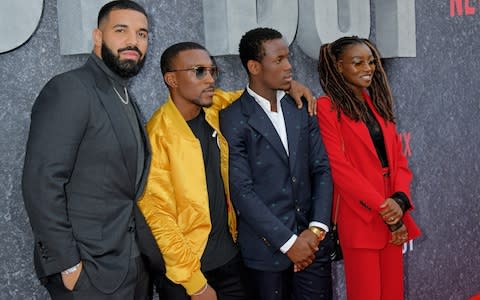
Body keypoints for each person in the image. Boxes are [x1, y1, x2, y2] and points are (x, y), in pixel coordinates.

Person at [138, 41, 317, 300]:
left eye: (213, 71)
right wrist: (196, 284)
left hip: (231, 262)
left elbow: (250, 96)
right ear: (172, 80)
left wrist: (289, 85)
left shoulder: (214, 109)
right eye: (199, 71)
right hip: (188, 274)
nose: (210, 79)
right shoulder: (157, 136)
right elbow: (160, 220)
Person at [22, 1, 164, 299]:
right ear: (98, 37)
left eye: (142, 34)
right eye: (121, 30)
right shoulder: (71, 89)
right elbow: (42, 183)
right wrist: (69, 266)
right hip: (90, 272)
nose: (133, 42)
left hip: (132, 264)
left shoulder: (122, 93)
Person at [220, 27, 334, 300]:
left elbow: (321, 170)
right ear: (254, 66)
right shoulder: (233, 117)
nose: (289, 66)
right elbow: (242, 192)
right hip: (265, 254)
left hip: (313, 246)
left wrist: (315, 231)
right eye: (278, 60)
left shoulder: (301, 107)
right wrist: (289, 243)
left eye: (288, 57)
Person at [316, 36, 421, 300]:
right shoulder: (327, 108)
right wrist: (386, 209)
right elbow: (339, 168)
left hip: (392, 210)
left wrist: (399, 199)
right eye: (358, 62)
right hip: (361, 214)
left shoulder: (376, 103)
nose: (368, 68)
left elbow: (398, 160)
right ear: (339, 66)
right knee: (367, 294)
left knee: (393, 293)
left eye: (371, 61)